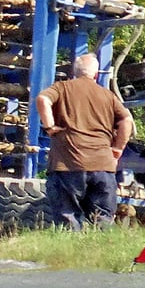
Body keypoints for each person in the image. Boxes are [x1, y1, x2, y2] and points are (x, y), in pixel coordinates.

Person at [36, 52, 135, 230]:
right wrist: (118, 149)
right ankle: (99, 256)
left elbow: (43, 98)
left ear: (74, 72)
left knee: (68, 220)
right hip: (102, 166)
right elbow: (127, 120)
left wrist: (49, 126)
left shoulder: (62, 88)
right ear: (96, 75)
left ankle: (68, 254)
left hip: (68, 165)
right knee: (102, 221)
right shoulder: (108, 96)